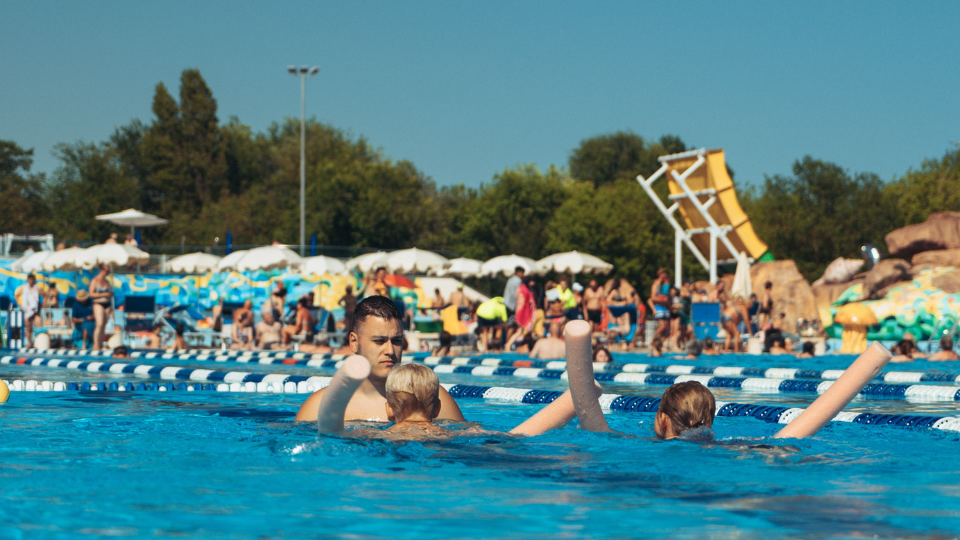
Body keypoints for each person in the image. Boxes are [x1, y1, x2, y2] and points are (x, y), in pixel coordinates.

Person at [295, 295, 465, 423]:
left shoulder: (427, 396)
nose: (390, 350)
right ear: (354, 342)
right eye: (379, 341)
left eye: (397, 341)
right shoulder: (322, 407)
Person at [89, 264, 113, 350]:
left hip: (107, 304)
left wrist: (109, 294)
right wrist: (104, 294)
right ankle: (96, 345)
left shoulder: (106, 281)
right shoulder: (95, 280)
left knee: (104, 325)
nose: (107, 272)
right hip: (98, 304)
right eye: (106, 270)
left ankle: (100, 344)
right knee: (99, 324)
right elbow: (91, 294)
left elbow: (109, 292)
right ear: (101, 270)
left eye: (108, 271)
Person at [16, 273, 43, 346]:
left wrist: (42, 304)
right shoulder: (24, 288)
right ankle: (29, 343)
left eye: (32, 279)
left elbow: (45, 295)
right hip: (27, 310)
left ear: (34, 280)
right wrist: (20, 304)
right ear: (28, 280)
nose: (31, 281)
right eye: (30, 279)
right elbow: (16, 295)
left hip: (35, 310)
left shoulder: (37, 288)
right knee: (28, 328)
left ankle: (37, 343)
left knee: (38, 327)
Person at [648, 269, 671, 345]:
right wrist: (663, 301)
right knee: (662, 326)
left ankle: (659, 344)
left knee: (666, 328)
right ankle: (652, 340)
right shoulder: (656, 284)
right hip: (659, 307)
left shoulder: (665, 285)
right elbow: (653, 298)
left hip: (665, 308)